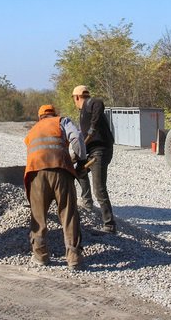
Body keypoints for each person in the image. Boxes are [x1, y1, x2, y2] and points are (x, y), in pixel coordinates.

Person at [24, 104, 86, 269]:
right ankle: (74, 259)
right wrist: (81, 160)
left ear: (40, 117)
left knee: (38, 216)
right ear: (54, 114)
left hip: (36, 174)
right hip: (61, 170)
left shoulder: (33, 130)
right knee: (68, 214)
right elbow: (77, 137)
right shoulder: (62, 121)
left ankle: (40, 256)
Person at [72, 85, 117, 234]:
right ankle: (87, 203)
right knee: (79, 171)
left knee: (99, 188)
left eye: (74, 99)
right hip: (90, 151)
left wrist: (91, 131)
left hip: (100, 151)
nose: (74, 101)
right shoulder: (82, 112)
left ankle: (109, 225)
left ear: (77, 97)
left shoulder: (91, 103)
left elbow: (99, 102)